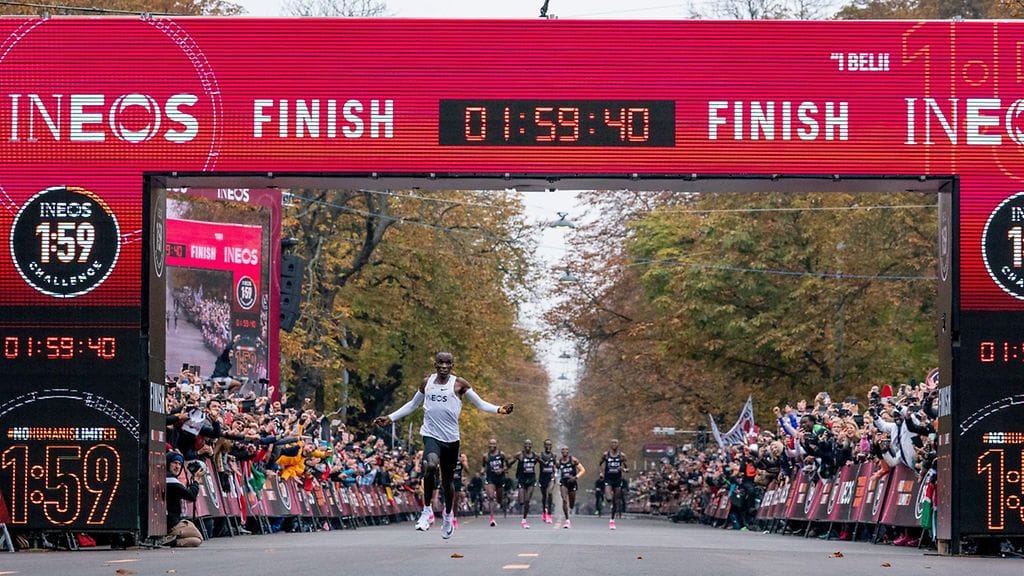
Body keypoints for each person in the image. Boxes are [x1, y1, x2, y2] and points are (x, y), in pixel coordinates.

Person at [373, 351, 513, 540]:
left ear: (452, 365)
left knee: (448, 483)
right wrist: (390, 418)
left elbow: (479, 404)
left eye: (448, 363)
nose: (444, 367)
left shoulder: (459, 384)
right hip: (431, 435)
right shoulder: (426, 383)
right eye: (440, 363)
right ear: (435, 364)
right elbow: (412, 405)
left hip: (451, 439)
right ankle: (427, 511)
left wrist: (499, 409)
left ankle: (448, 515)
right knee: (430, 465)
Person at [165, 451, 204, 547]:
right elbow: (191, 495)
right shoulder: (170, 479)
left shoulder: (171, 479)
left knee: (196, 540)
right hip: (171, 522)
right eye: (174, 463)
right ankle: (167, 538)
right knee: (198, 538)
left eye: (179, 464)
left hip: (174, 520)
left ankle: (171, 540)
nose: (177, 467)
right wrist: (195, 481)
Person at [508, 439, 539, 529]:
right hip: (521, 479)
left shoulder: (535, 455)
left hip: (531, 479)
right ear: (524, 445)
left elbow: (541, 462)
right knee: (521, 501)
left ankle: (524, 520)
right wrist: (509, 463)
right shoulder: (519, 454)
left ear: (531, 445)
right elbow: (511, 462)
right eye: (526, 444)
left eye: (529, 444)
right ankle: (521, 504)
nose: (527, 446)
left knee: (527, 500)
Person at [600, 438, 629, 530]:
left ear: (618, 445)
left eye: (616, 443)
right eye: (612, 443)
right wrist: (601, 473)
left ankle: (612, 520)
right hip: (608, 478)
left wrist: (623, 469)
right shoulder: (606, 455)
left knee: (616, 500)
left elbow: (627, 469)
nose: (614, 444)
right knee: (609, 498)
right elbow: (600, 464)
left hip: (618, 479)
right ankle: (609, 499)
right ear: (610, 444)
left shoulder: (622, 455)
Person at [481, 438, 510, 526]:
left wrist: (502, 470)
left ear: (496, 445)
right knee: (490, 497)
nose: (492, 446)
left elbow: (507, 466)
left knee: (499, 499)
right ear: (488, 445)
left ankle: (501, 501)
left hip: (500, 478)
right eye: (490, 444)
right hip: (490, 478)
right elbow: (483, 466)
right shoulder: (485, 456)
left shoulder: (501, 454)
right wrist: (482, 471)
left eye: (493, 444)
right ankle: (492, 518)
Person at [557, 445, 585, 528]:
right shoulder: (559, 461)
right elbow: (555, 470)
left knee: (571, 503)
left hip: (572, 482)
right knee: (564, 500)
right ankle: (567, 520)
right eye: (562, 450)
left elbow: (583, 470)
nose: (564, 451)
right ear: (561, 452)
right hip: (563, 483)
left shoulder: (573, 460)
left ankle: (570, 508)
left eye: (566, 450)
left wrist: (575, 477)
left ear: (568, 451)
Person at [537, 439, 556, 524]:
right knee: (544, 497)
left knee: (550, 493)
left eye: (550, 445)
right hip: (542, 478)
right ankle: (544, 511)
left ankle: (549, 514)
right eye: (547, 445)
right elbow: (533, 462)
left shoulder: (553, 455)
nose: (548, 446)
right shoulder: (540, 455)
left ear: (551, 446)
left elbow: (556, 465)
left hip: (551, 478)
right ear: (544, 446)